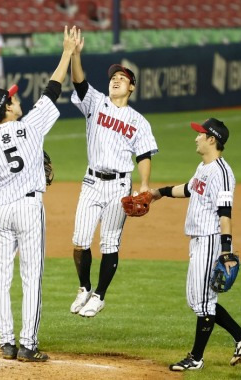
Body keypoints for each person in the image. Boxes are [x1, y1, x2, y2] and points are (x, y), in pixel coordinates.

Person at [0, 26, 78, 362]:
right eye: (14, 99)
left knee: (1, 278)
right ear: (8, 109)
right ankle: (28, 344)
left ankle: (7, 343)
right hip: (28, 209)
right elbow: (54, 88)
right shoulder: (31, 125)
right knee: (31, 277)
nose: (19, 100)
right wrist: (67, 53)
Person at [149, 118, 241, 371]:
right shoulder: (204, 167)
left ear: (212, 139)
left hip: (211, 239)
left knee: (203, 302)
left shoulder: (221, 172)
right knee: (198, 300)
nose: (196, 137)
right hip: (198, 239)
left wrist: (226, 250)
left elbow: (225, 212)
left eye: (200, 134)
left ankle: (196, 358)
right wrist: (159, 193)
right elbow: (189, 189)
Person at [69, 31, 159, 318]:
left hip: (120, 185)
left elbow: (143, 155)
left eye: (121, 78)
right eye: (112, 77)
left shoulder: (138, 121)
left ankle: (100, 295)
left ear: (131, 87)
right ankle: (84, 286)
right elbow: (79, 82)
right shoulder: (95, 103)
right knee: (80, 241)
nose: (115, 80)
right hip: (91, 181)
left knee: (109, 243)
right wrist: (75, 54)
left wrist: (144, 185)